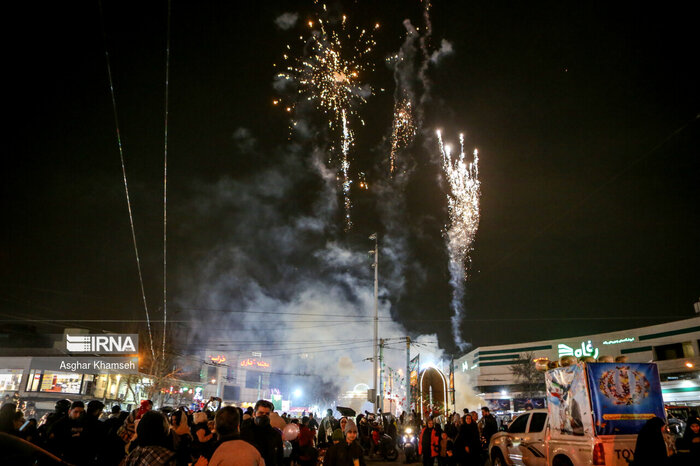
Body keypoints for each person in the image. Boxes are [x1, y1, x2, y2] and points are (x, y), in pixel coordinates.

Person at [48, 400, 92, 465]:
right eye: (76, 412)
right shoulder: (60, 423)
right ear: (69, 411)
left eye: (81, 413)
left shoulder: (84, 423)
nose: (78, 415)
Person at [241, 399, 283, 466]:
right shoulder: (244, 432)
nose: (264, 416)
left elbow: (279, 458)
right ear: (254, 414)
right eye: (261, 413)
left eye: (267, 414)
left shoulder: (275, 435)